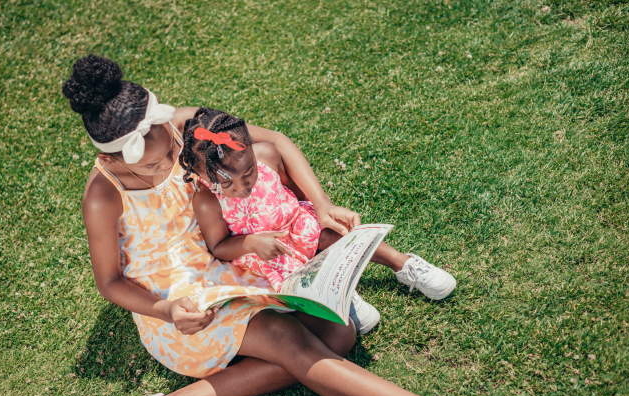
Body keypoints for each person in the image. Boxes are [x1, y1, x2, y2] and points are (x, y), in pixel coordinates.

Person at [63, 54, 516, 396]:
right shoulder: (103, 195)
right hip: (178, 303)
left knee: (340, 335)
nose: (165, 165)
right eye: (149, 165)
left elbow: (274, 142)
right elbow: (110, 283)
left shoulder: (187, 127)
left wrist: (319, 206)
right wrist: (166, 310)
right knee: (289, 341)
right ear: (112, 154)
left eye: (168, 150)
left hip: (234, 265)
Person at [179, 107, 457, 334]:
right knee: (297, 281)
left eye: (249, 172)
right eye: (229, 184)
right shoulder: (206, 201)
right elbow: (219, 247)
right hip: (266, 254)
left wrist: (321, 207)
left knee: (334, 234)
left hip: (295, 222)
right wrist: (251, 243)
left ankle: (403, 263)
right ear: (202, 175)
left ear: (252, 151)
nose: (243, 187)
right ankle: (340, 296)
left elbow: (293, 190)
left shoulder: (266, 156)